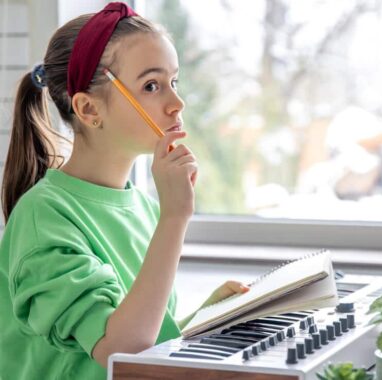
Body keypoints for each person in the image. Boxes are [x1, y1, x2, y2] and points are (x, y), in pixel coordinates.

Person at [0, 3, 248, 379]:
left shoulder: (143, 208)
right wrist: (176, 217)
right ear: (88, 109)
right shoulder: (44, 217)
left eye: (174, 82)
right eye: (151, 85)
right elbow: (124, 353)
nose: (176, 103)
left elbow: (140, 335)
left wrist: (207, 317)